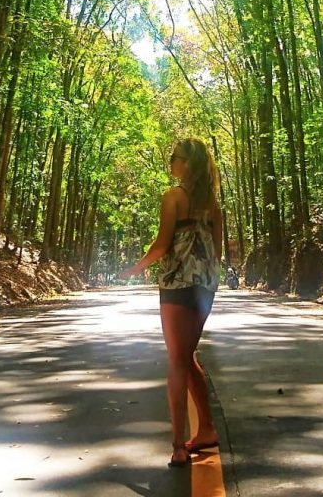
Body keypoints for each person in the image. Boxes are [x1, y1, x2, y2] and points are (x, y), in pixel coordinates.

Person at [118, 137, 222, 467]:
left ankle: (179, 444)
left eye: (174, 157)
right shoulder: (215, 206)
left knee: (177, 360)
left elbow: (163, 244)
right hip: (205, 285)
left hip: (177, 283)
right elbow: (218, 252)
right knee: (186, 355)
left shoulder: (173, 197)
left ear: (187, 163)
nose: (170, 163)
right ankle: (205, 429)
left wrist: (135, 269)